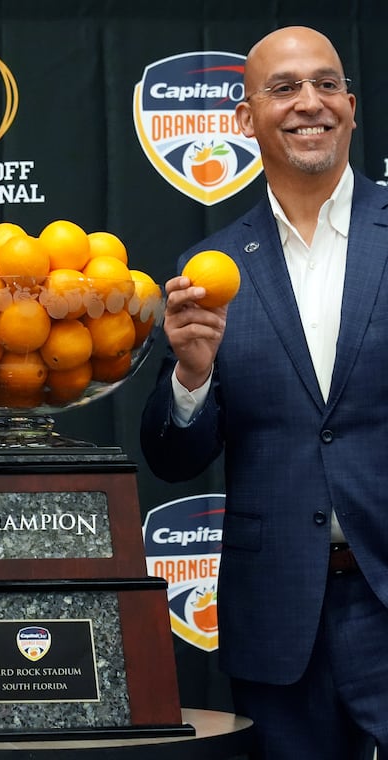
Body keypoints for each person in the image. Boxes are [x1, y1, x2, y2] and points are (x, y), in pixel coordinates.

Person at [140, 25, 388, 759]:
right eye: (283, 88)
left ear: (350, 102)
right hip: (278, 615)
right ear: (246, 119)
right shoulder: (207, 266)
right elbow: (173, 458)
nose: (309, 103)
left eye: (326, 84)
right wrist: (191, 376)